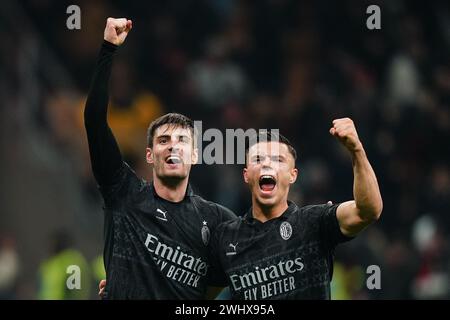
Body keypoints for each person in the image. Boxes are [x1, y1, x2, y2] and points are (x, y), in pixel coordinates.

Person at [84, 17, 235, 299]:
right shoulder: (123, 191)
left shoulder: (216, 220)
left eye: (182, 141)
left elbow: (222, 280)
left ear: (194, 154)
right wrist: (108, 48)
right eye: (163, 141)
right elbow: (94, 120)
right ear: (150, 155)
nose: (172, 147)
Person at [209, 120, 383, 299]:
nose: (267, 164)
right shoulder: (226, 237)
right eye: (258, 159)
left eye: (278, 159)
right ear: (246, 175)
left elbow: (369, 210)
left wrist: (356, 150)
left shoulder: (314, 222)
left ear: (293, 175)